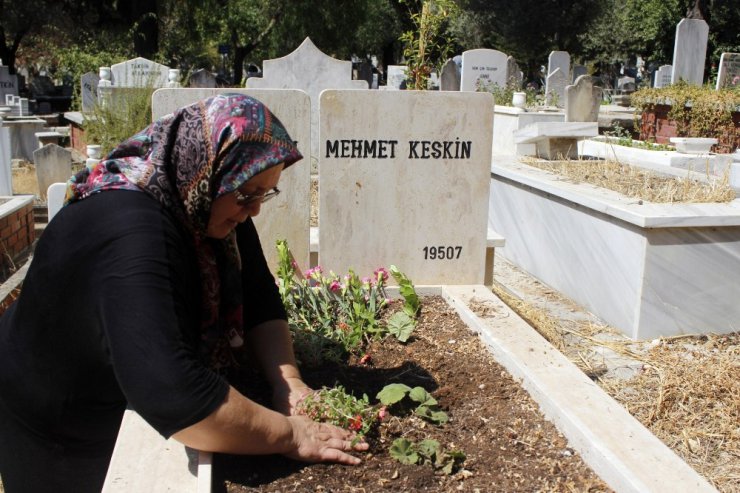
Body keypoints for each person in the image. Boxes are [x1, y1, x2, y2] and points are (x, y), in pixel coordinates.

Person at [0, 93, 368, 492]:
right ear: (209, 169)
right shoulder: (134, 232)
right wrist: (291, 435)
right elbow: (173, 392)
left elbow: (259, 295)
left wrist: (289, 383)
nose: (255, 209)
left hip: (122, 385)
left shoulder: (203, 195)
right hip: (59, 419)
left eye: (265, 193)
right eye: (248, 194)